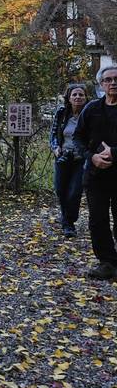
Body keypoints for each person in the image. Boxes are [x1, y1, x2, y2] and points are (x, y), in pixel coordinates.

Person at [73, 66, 117, 280]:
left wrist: (114, 153)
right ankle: (107, 262)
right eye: (108, 80)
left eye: (116, 79)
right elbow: (78, 138)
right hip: (95, 176)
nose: (113, 83)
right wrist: (92, 157)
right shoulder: (91, 109)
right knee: (97, 220)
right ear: (101, 84)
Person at [50, 83, 88, 237]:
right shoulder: (62, 112)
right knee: (60, 190)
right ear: (69, 98)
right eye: (74, 95)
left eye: (81, 95)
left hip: (81, 159)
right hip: (63, 157)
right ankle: (66, 218)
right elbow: (53, 133)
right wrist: (55, 147)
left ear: (86, 97)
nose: (78, 97)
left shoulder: (90, 113)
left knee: (74, 192)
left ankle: (69, 223)